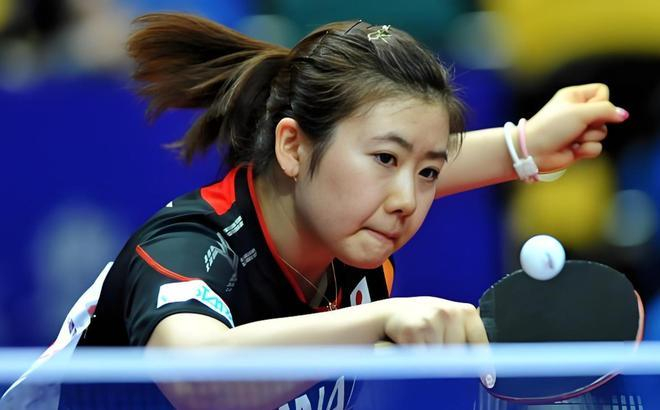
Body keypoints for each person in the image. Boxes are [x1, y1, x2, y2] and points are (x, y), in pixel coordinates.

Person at [1, 12, 629, 410]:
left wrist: (524, 146)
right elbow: (197, 377)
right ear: (293, 147)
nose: (407, 200)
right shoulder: (189, 246)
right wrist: (380, 321)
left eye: (428, 173)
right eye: (385, 159)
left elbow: (407, 167)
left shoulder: (351, 227)